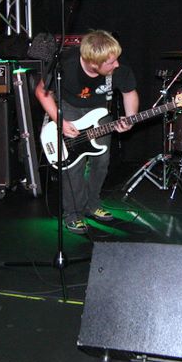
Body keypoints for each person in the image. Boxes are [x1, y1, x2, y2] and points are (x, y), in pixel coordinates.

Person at [34, 30, 139, 234]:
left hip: (99, 111)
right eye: (110, 62)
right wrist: (60, 121)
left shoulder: (117, 65)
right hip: (69, 108)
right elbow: (42, 91)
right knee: (74, 165)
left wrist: (130, 118)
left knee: (101, 161)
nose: (116, 64)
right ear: (93, 63)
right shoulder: (66, 64)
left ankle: (92, 204)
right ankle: (73, 214)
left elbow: (129, 92)